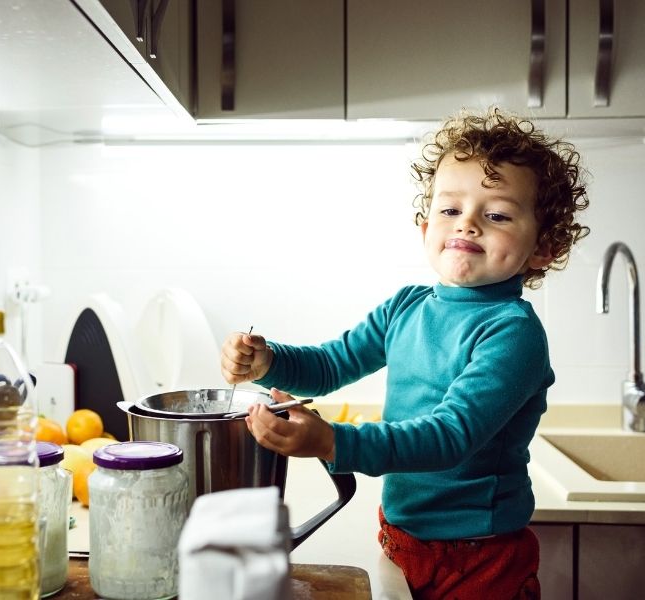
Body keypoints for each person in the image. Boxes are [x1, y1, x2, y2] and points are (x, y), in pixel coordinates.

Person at [219, 108, 589, 599]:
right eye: (450, 209)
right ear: (425, 226)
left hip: (481, 557)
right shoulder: (405, 308)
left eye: (496, 214)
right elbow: (330, 365)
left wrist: (334, 442)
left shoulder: (513, 333)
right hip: (402, 537)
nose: (469, 224)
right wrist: (268, 361)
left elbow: (450, 437)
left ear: (543, 248)